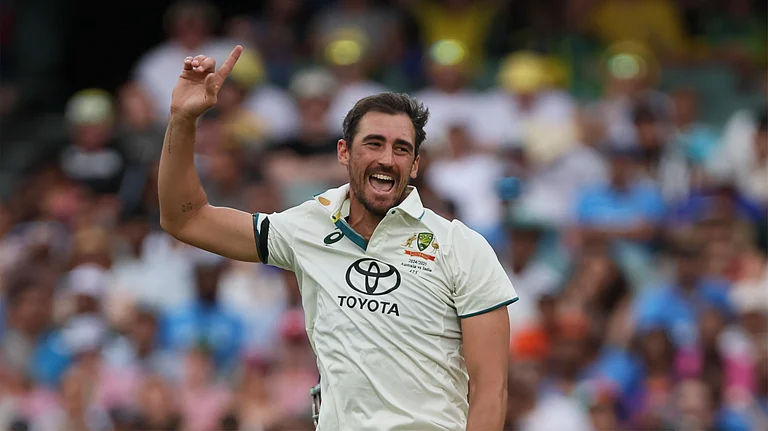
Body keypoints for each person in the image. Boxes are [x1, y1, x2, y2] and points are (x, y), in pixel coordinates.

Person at [157, 45, 518, 431]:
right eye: (374, 143)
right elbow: (187, 219)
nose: (386, 159)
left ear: (414, 166)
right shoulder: (307, 226)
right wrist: (182, 118)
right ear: (344, 152)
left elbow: (490, 389)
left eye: (401, 149)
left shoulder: (461, 246)